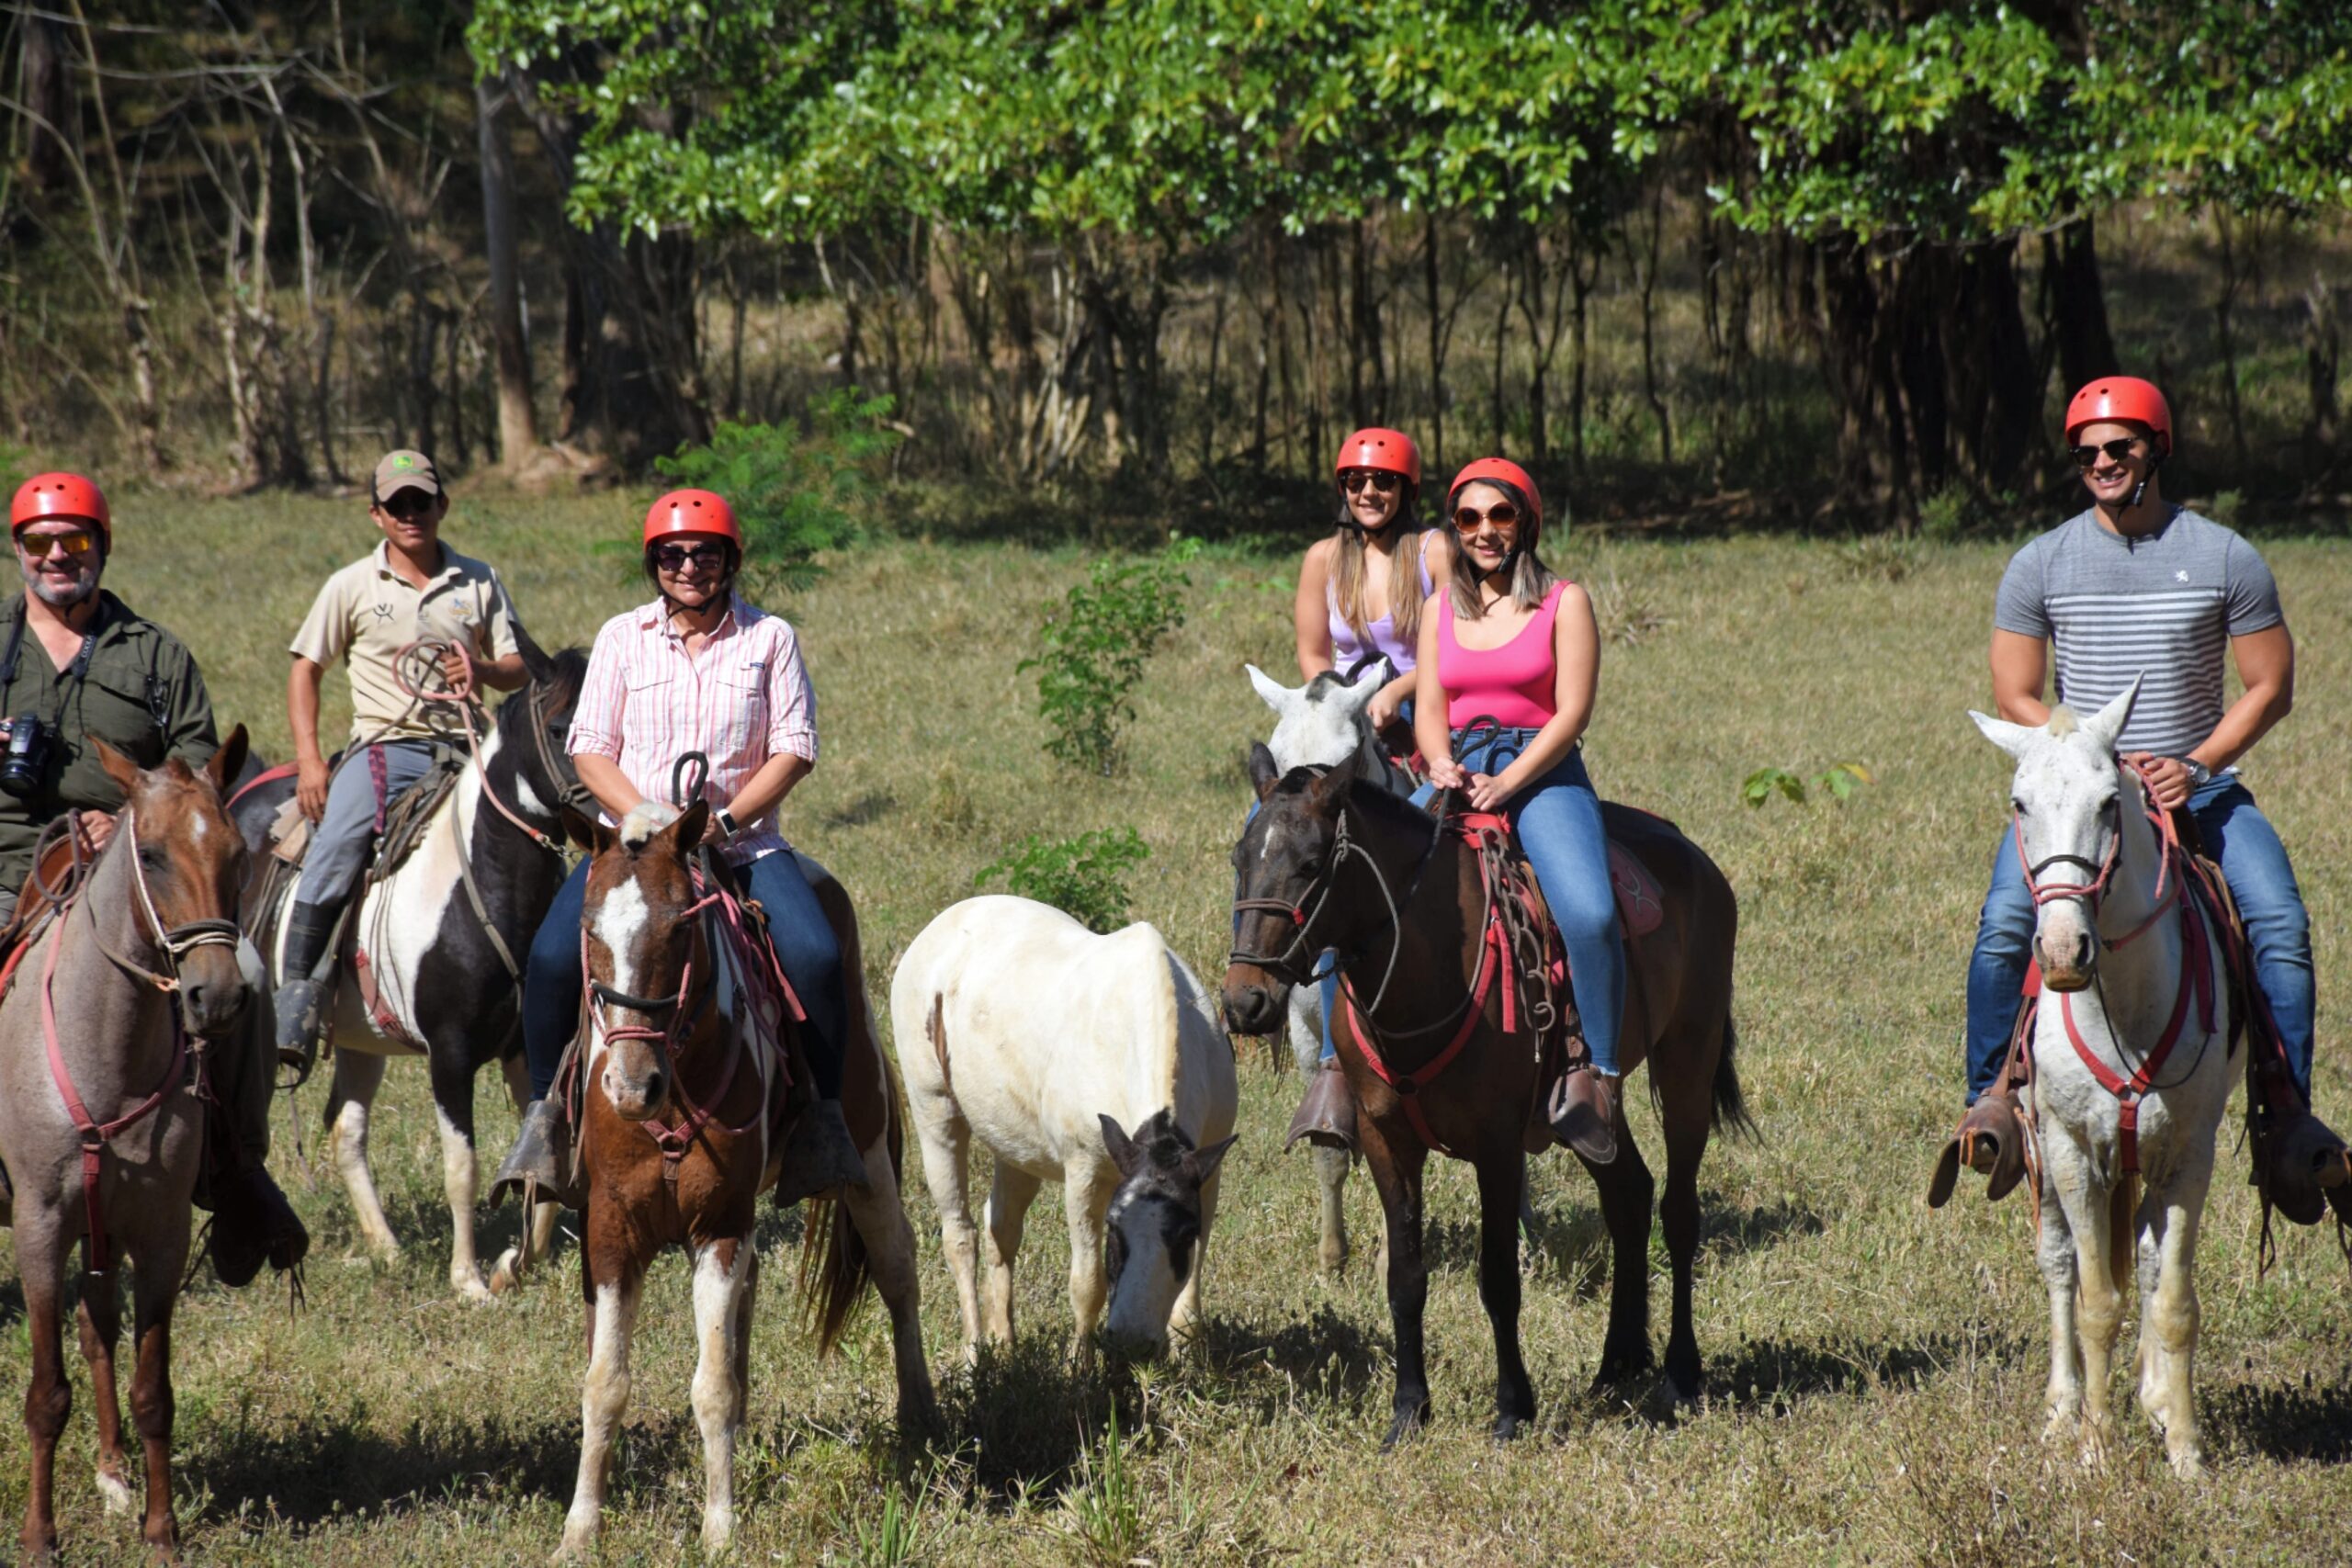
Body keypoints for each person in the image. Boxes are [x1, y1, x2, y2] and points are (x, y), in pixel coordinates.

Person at [1943, 376, 2350, 1218]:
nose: (2101, 462)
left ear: (2155, 450)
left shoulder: (2224, 555)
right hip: (2086, 802)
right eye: (2087, 453)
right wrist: (2092, 758)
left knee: (2278, 921)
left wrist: (2195, 765)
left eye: (2118, 448)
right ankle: (1995, 1099)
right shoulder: (2041, 561)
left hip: (2204, 793)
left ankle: (2286, 1120)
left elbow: (2269, 685)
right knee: (2003, 927)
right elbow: (2015, 688)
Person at [491, 488, 866, 1208]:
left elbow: (794, 749)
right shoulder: (622, 637)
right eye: (674, 554)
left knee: (816, 955)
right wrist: (648, 823)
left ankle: (821, 1123)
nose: (689, 565)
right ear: (654, 562)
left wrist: (720, 824)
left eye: (704, 553)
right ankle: (544, 1118)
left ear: (730, 560)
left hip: (742, 841)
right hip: (634, 847)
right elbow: (591, 748)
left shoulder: (769, 639)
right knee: (546, 958)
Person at [0, 471, 306, 1283]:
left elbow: (201, 772)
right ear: (19, 550)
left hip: (136, 871)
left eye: (76, 540)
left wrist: (130, 817)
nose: (58, 555)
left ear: (103, 545)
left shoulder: (155, 652)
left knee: (241, 972)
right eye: (40, 542)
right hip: (5, 863)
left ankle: (236, 1165)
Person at [272, 450, 526, 1074]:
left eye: (422, 501)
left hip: (469, 745)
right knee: (335, 848)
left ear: (442, 505)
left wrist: (485, 670)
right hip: (386, 748)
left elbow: (519, 663)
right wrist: (310, 760)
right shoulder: (352, 585)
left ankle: (538, 993)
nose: (411, 514)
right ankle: (297, 1000)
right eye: (397, 505)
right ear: (377, 515)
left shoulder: (478, 580)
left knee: (536, 835)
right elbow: (306, 669)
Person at [1413, 457, 1626, 1163]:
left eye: (1499, 516)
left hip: (1542, 768)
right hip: (1459, 768)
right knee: (1354, 871)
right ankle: (1334, 1073)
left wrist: (1509, 784)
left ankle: (1601, 1072)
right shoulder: (1438, 608)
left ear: (1525, 522)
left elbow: (1573, 713)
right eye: (1469, 518)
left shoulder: (1565, 601)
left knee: (1591, 912)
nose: (1484, 532)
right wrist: (1440, 762)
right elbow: (1431, 709)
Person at [1285, 428, 1453, 1153]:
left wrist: (1401, 691)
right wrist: (1348, 703)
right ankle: (1329, 1059)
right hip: (1346, 720)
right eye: (1356, 483)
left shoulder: (1434, 551)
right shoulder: (1324, 559)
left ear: (1406, 491)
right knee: (1302, 852)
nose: (1369, 494)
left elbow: (1450, 638)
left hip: (1424, 709)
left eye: (1382, 483)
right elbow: (1314, 656)